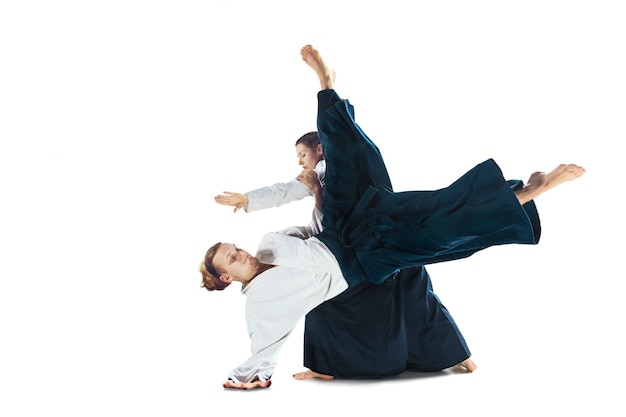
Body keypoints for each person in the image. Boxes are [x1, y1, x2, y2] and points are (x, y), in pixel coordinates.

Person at [200, 45, 585, 389]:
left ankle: (326, 87)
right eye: (233, 258)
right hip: (364, 261)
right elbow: (267, 338)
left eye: (236, 248)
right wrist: (252, 375)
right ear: (227, 277)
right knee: (437, 236)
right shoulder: (262, 301)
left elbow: (298, 211)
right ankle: (521, 195)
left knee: (375, 172)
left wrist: (253, 198)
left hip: (347, 226)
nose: (242, 253)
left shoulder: (271, 243)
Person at [214, 132, 476, 381]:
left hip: (365, 249)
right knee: (416, 292)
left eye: (302, 154)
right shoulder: (340, 168)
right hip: (376, 242)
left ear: (319, 150)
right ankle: (457, 356)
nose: (299, 161)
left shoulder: (328, 170)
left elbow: (289, 192)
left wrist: (249, 199)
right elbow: (320, 209)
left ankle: (326, 367)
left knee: (322, 295)